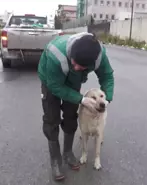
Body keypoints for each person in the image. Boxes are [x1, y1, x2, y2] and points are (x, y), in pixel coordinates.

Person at [37, 32, 114, 181]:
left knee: (71, 115)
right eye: (74, 62)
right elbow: (55, 86)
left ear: (91, 63)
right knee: (51, 119)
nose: (76, 66)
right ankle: (55, 161)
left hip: (73, 81)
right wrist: (81, 99)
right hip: (50, 80)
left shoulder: (98, 55)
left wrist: (107, 99)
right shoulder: (56, 53)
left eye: (81, 66)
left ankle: (67, 153)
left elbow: (107, 76)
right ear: (71, 53)